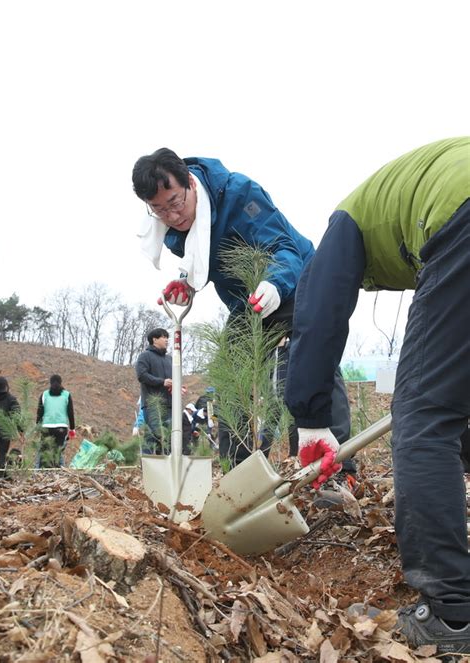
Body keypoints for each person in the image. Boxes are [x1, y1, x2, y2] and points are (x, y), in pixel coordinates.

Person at [284, 137, 470, 652]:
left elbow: (319, 320)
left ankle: (451, 614)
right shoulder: (392, 205)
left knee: (422, 415)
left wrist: (312, 420)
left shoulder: (341, 230)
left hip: (463, 210)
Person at [132, 148, 351, 469]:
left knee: (307, 367)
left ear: (191, 183)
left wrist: (274, 285)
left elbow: (283, 246)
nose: (173, 217)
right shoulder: (167, 223)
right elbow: (202, 259)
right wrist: (188, 283)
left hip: (297, 280)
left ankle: (331, 468)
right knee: (231, 378)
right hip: (247, 303)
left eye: (176, 203)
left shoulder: (239, 195)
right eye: (160, 210)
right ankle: (241, 475)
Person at [135, 328, 173, 454]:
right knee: (153, 436)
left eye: (167, 337)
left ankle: (167, 469)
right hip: (153, 404)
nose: (167, 340)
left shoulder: (170, 359)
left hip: (170, 406)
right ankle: (148, 467)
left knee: (169, 438)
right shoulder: (145, 356)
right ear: (154, 339)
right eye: (163, 337)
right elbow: (142, 375)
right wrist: (162, 382)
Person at [36, 374, 76, 468]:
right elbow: (71, 413)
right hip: (61, 427)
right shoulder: (66, 394)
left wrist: (37, 426)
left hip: (46, 427)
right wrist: (72, 429)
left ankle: (43, 473)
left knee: (45, 451)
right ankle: (56, 473)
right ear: (61, 382)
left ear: (50, 383)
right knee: (58, 452)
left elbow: (39, 412)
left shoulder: (44, 394)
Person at [0, 377, 21, 479]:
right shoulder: (11, 399)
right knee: (2, 455)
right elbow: (17, 416)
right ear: (6, 387)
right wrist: (21, 430)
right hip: (4, 432)